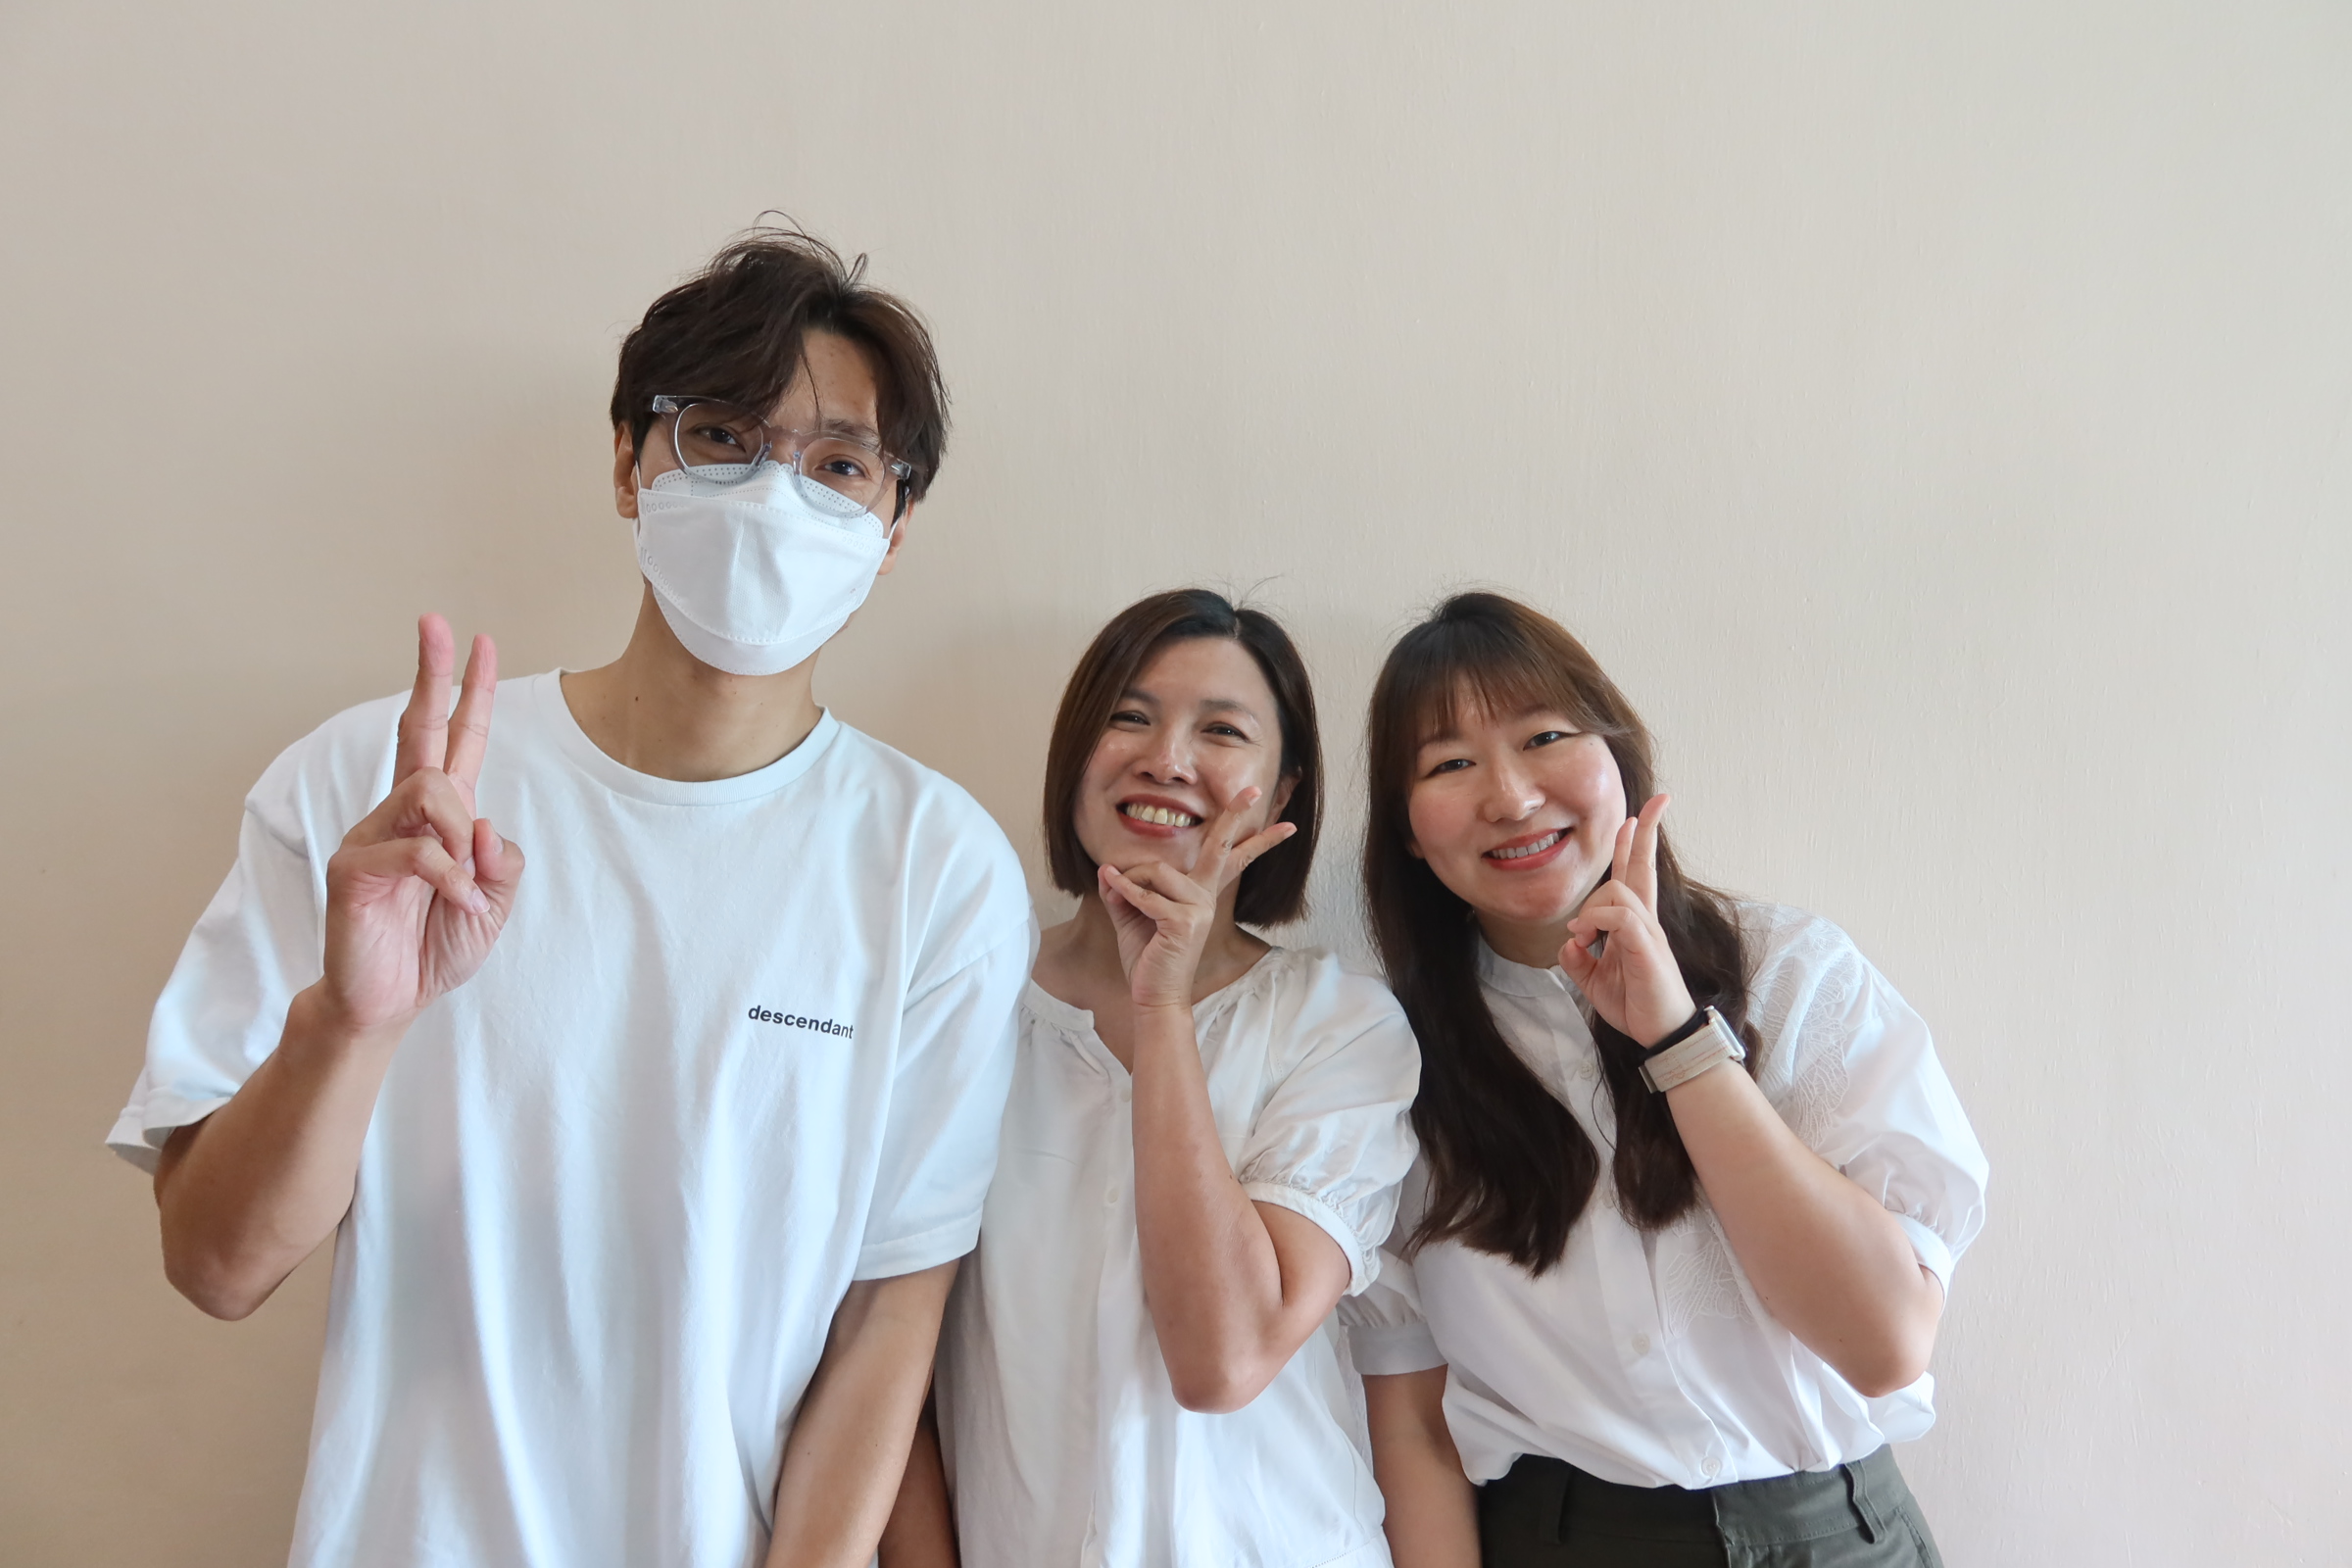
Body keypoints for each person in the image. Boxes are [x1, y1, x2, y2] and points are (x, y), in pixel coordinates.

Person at [104, 227, 1034, 1568]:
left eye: (840, 463)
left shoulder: (936, 868)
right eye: (722, 436)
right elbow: (216, 1264)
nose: (775, 493)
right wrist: (352, 1026)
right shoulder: (384, 792)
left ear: (893, 529)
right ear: (626, 463)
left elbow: (888, 1321)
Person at [1344, 593, 1987, 1568]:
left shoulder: (1791, 974)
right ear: (1405, 830)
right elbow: (1415, 1425)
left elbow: (1885, 1340)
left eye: (1543, 736)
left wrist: (1678, 1039)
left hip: (1832, 1535)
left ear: (1621, 759)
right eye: (1449, 764)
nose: (1510, 797)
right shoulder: (1390, 1061)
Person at [914, 590, 1422, 1568]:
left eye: (1221, 731)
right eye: (1129, 717)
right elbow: (878, 1341)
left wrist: (1163, 1006)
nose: (1166, 758)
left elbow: (1223, 1359)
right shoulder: (958, 997)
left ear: (1282, 795)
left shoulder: (1339, 1025)